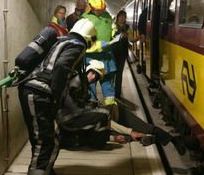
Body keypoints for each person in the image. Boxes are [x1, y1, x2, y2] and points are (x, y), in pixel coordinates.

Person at [17, 18, 96, 175]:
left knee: (44, 140)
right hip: (40, 95)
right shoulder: (77, 46)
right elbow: (61, 67)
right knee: (46, 145)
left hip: (29, 89)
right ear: (90, 38)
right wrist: (56, 97)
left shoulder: (60, 40)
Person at [57, 60, 186, 154]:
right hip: (103, 122)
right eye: (93, 73)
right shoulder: (76, 85)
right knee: (123, 130)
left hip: (112, 117)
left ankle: (167, 139)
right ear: (88, 70)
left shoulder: (82, 87)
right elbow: (95, 122)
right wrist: (124, 133)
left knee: (136, 125)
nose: (93, 78)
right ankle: (157, 138)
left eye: (96, 76)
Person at [81, 0, 119, 119]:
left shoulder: (108, 16)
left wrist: (114, 35)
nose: (99, 12)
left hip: (106, 57)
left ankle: (112, 114)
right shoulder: (84, 19)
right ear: (90, 6)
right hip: (91, 59)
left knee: (108, 87)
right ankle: (92, 114)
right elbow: (81, 40)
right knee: (90, 87)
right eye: (97, 10)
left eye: (101, 10)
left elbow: (112, 29)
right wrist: (98, 45)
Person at [112, 10, 132, 98]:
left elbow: (131, 39)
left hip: (123, 53)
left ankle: (117, 93)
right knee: (112, 72)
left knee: (119, 73)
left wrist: (139, 38)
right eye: (121, 16)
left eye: (124, 17)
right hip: (113, 52)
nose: (122, 18)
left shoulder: (128, 27)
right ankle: (111, 91)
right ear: (117, 17)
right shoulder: (113, 25)